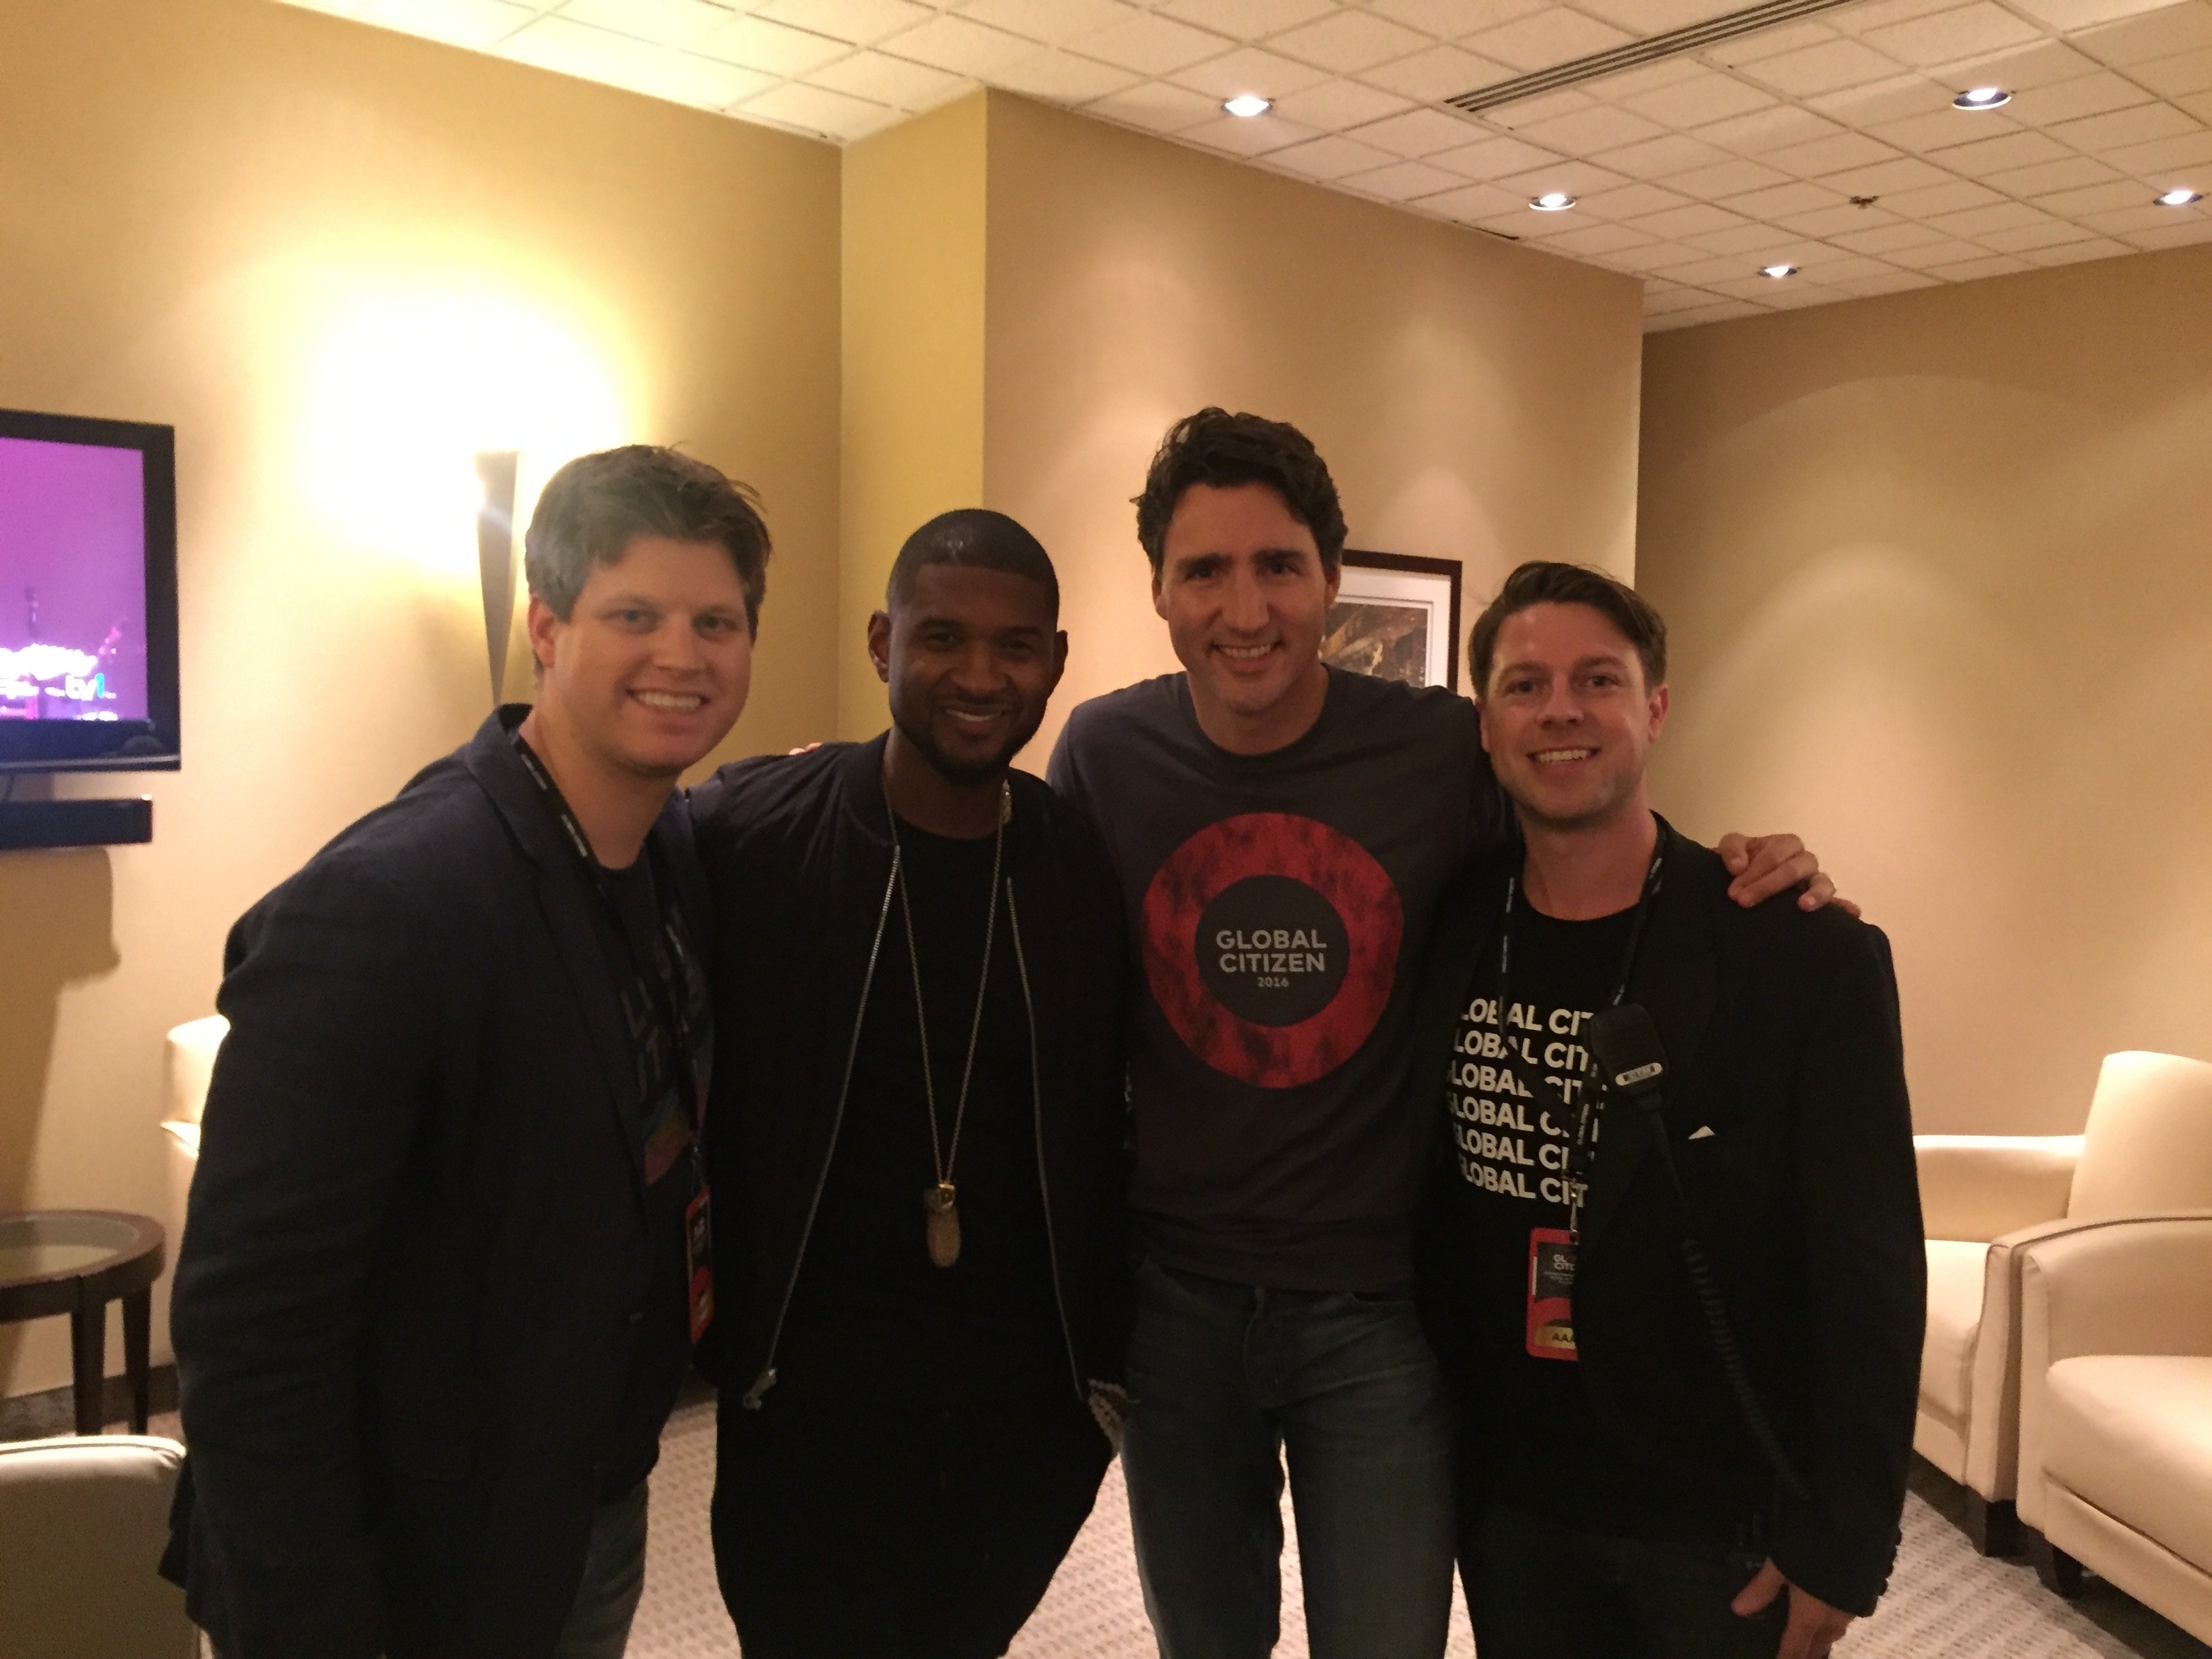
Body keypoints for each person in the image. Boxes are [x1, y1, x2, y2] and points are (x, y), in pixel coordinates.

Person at [1046, 408, 1839, 1659]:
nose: (1243, 608)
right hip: (1177, 1303)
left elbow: (1578, 812)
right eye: (1204, 569)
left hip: (1378, 1309)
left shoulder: (1430, 750)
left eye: (1278, 567)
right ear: (1157, 590)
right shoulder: (1104, 753)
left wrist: (1739, 865)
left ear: (1328, 581)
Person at [163, 445, 769, 1659]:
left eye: (718, 620)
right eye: (633, 614)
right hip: (408, 1551)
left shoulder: (669, 864)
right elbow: (250, 1335)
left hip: (579, 1503)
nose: (682, 655)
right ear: (545, 627)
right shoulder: (383, 907)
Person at [1415, 561, 1923, 1659]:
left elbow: (1870, 1264)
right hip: (1510, 1503)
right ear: (1488, 728)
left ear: (1654, 710)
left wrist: (1847, 1536)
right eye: (1524, 684)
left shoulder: (1796, 951)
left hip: (1718, 1521)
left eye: (1598, 680)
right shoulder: (1445, 928)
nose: (1561, 709)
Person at [691, 508, 1128, 1659]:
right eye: (942, 638)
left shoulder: (1079, 865)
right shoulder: (750, 836)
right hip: (809, 1408)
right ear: (883, 643)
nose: (979, 676)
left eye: (1015, 646)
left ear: (1056, 662)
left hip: (1022, 1419)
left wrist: (1095, 1400)